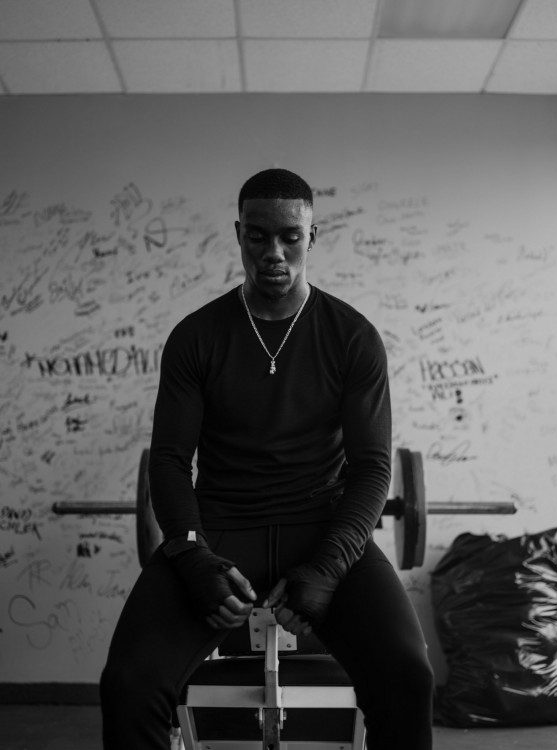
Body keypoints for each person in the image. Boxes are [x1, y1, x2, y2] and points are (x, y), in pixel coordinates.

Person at [100, 168, 434, 749]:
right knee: (128, 685)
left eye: (290, 236)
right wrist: (190, 553)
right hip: (220, 527)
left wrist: (330, 565)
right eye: (257, 236)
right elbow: (171, 461)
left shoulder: (353, 337)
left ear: (312, 237)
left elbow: (373, 469)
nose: (273, 252)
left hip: (323, 525)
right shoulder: (196, 336)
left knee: (408, 675)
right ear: (239, 234)